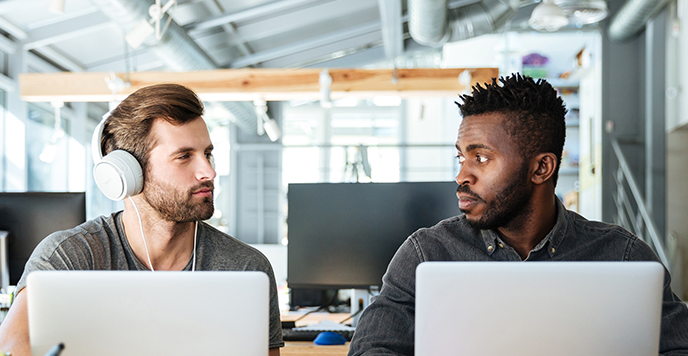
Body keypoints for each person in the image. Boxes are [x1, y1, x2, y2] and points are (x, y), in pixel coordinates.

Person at [348, 74, 688, 355]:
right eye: (461, 158)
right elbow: (372, 349)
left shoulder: (623, 256)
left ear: (541, 168)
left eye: (480, 158)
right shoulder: (426, 253)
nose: (462, 176)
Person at [0, 84, 284, 355]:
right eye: (184, 156)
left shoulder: (245, 268)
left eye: (207, 154)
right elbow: (13, 347)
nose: (208, 172)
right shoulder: (71, 256)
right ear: (127, 173)